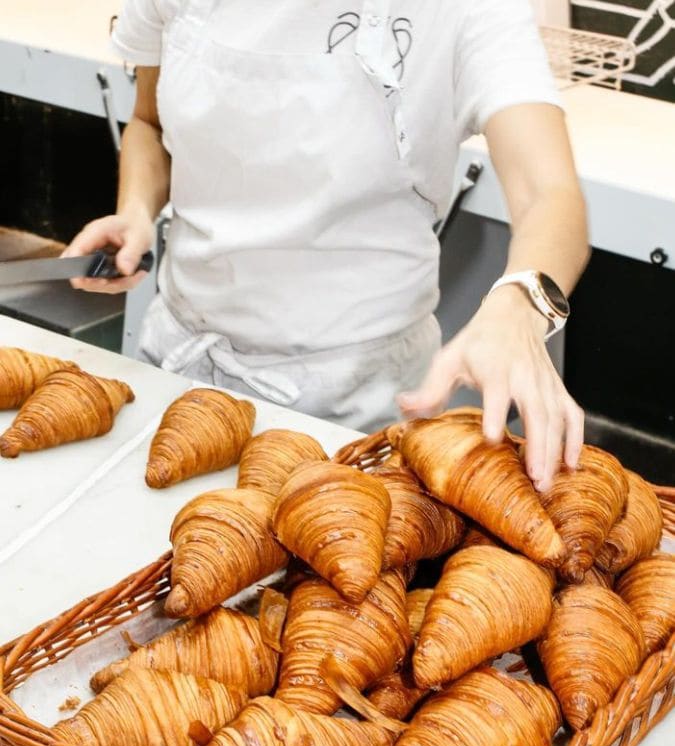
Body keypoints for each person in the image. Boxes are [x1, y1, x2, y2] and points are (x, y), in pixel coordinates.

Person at [64, 0, 589, 492]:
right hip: (175, 376)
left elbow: (552, 195)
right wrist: (136, 210)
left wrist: (521, 303)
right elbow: (149, 123)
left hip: (354, 409)